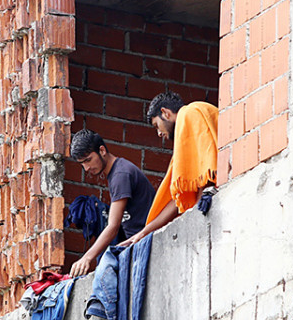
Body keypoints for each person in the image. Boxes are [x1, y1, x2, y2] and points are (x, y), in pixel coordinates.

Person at [120, 92, 218, 247]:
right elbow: (176, 197)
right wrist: (143, 233)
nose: (159, 133)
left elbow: (207, 175)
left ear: (165, 113)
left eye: (156, 125)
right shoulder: (183, 139)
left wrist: (197, 215)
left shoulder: (190, 112)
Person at [69, 130, 155, 277]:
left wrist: (87, 258)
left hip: (148, 245)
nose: (86, 168)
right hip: (136, 246)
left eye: (88, 160)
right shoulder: (116, 172)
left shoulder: (121, 174)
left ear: (101, 150)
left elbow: (113, 226)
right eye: (82, 163)